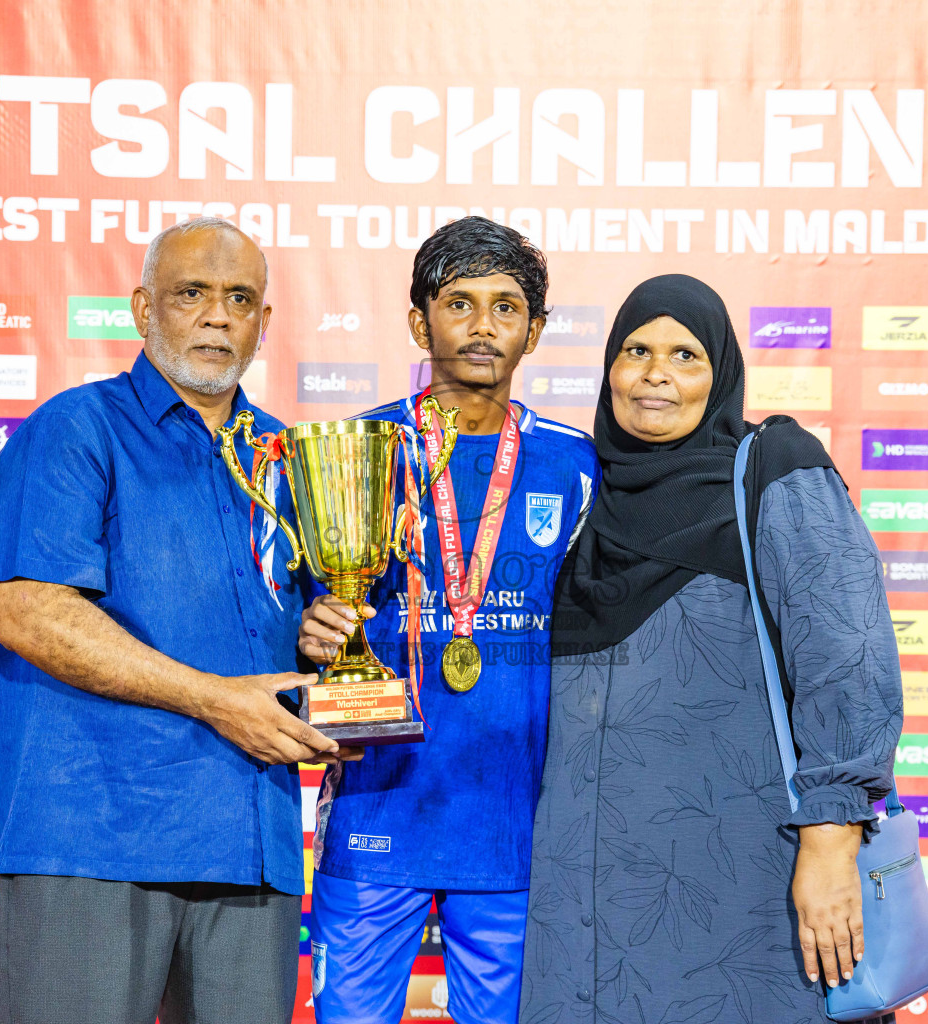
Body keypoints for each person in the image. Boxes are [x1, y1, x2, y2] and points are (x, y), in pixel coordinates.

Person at [0, 217, 359, 1024]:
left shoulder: (290, 457)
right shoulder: (75, 430)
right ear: (143, 309)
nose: (218, 316)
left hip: (251, 849)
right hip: (93, 841)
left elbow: (292, 640)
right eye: (193, 294)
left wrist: (324, 641)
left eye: (240, 298)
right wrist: (217, 700)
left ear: (264, 322)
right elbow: (32, 614)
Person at [522, 275, 905, 1024]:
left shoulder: (775, 469)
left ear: (721, 372)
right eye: (635, 350)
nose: (654, 374)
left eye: (684, 355)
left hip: (743, 879)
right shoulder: (573, 491)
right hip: (582, 906)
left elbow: (849, 657)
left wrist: (829, 839)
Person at [298, 216, 599, 1024]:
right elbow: (291, 611)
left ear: (534, 331)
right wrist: (312, 628)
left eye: (505, 307)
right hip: (376, 804)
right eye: (458, 303)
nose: (480, 325)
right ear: (416, 321)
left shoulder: (576, 464)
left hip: (514, 819)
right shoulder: (353, 449)